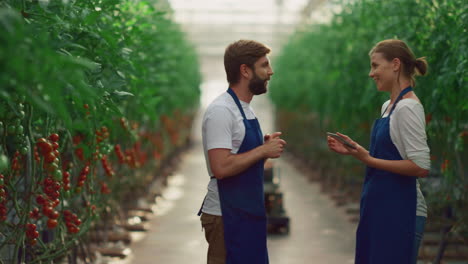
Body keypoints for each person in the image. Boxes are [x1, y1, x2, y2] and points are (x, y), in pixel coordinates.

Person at [327, 39, 431, 264]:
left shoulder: (409, 107)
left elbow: (421, 166)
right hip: (380, 208)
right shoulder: (388, 106)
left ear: (395, 64)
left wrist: (369, 159)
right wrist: (358, 152)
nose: (370, 73)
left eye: (375, 66)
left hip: (402, 212)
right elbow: (385, 156)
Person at [197, 39, 287, 264]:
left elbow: (237, 151)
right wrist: (261, 151)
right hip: (226, 216)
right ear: (245, 71)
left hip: (247, 213)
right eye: (264, 65)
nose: (270, 72)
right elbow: (221, 167)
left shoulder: (245, 108)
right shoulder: (221, 111)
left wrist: (262, 148)